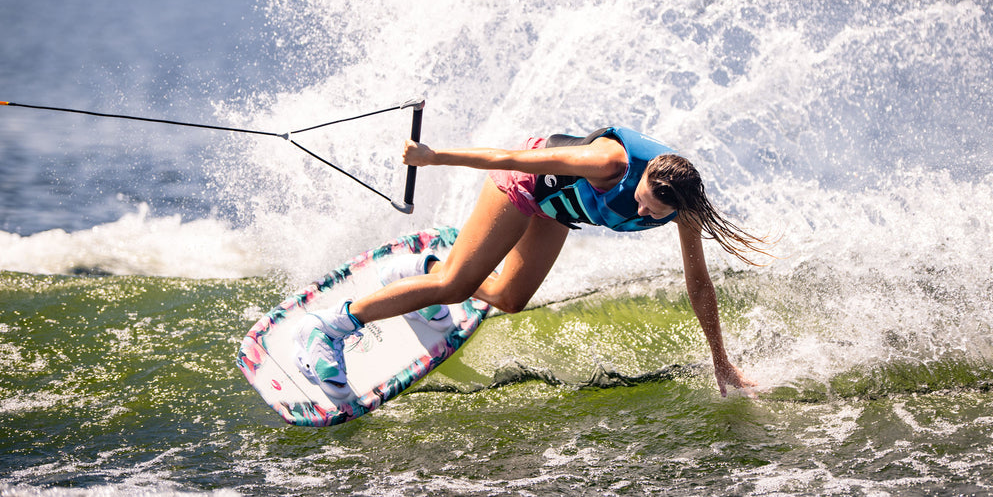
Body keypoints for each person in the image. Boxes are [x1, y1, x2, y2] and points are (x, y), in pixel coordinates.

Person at [294, 126, 766, 400]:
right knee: (458, 288)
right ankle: (330, 327)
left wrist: (721, 362)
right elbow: (512, 156)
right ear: (642, 176)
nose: (643, 215)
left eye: (653, 215)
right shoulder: (608, 163)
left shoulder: (682, 205)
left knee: (509, 298)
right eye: (643, 204)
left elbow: (699, 284)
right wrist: (432, 156)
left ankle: (426, 271)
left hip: (561, 211)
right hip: (522, 185)